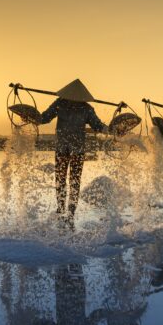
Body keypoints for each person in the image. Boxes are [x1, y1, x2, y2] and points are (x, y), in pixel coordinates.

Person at [40, 79, 108, 226]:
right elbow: (43, 118)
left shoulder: (78, 107)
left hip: (71, 150)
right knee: (67, 181)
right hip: (66, 150)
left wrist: (110, 129)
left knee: (66, 181)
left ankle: (68, 212)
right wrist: (32, 117)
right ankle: (64, 211)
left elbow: (98, 126)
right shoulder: (64, 104)